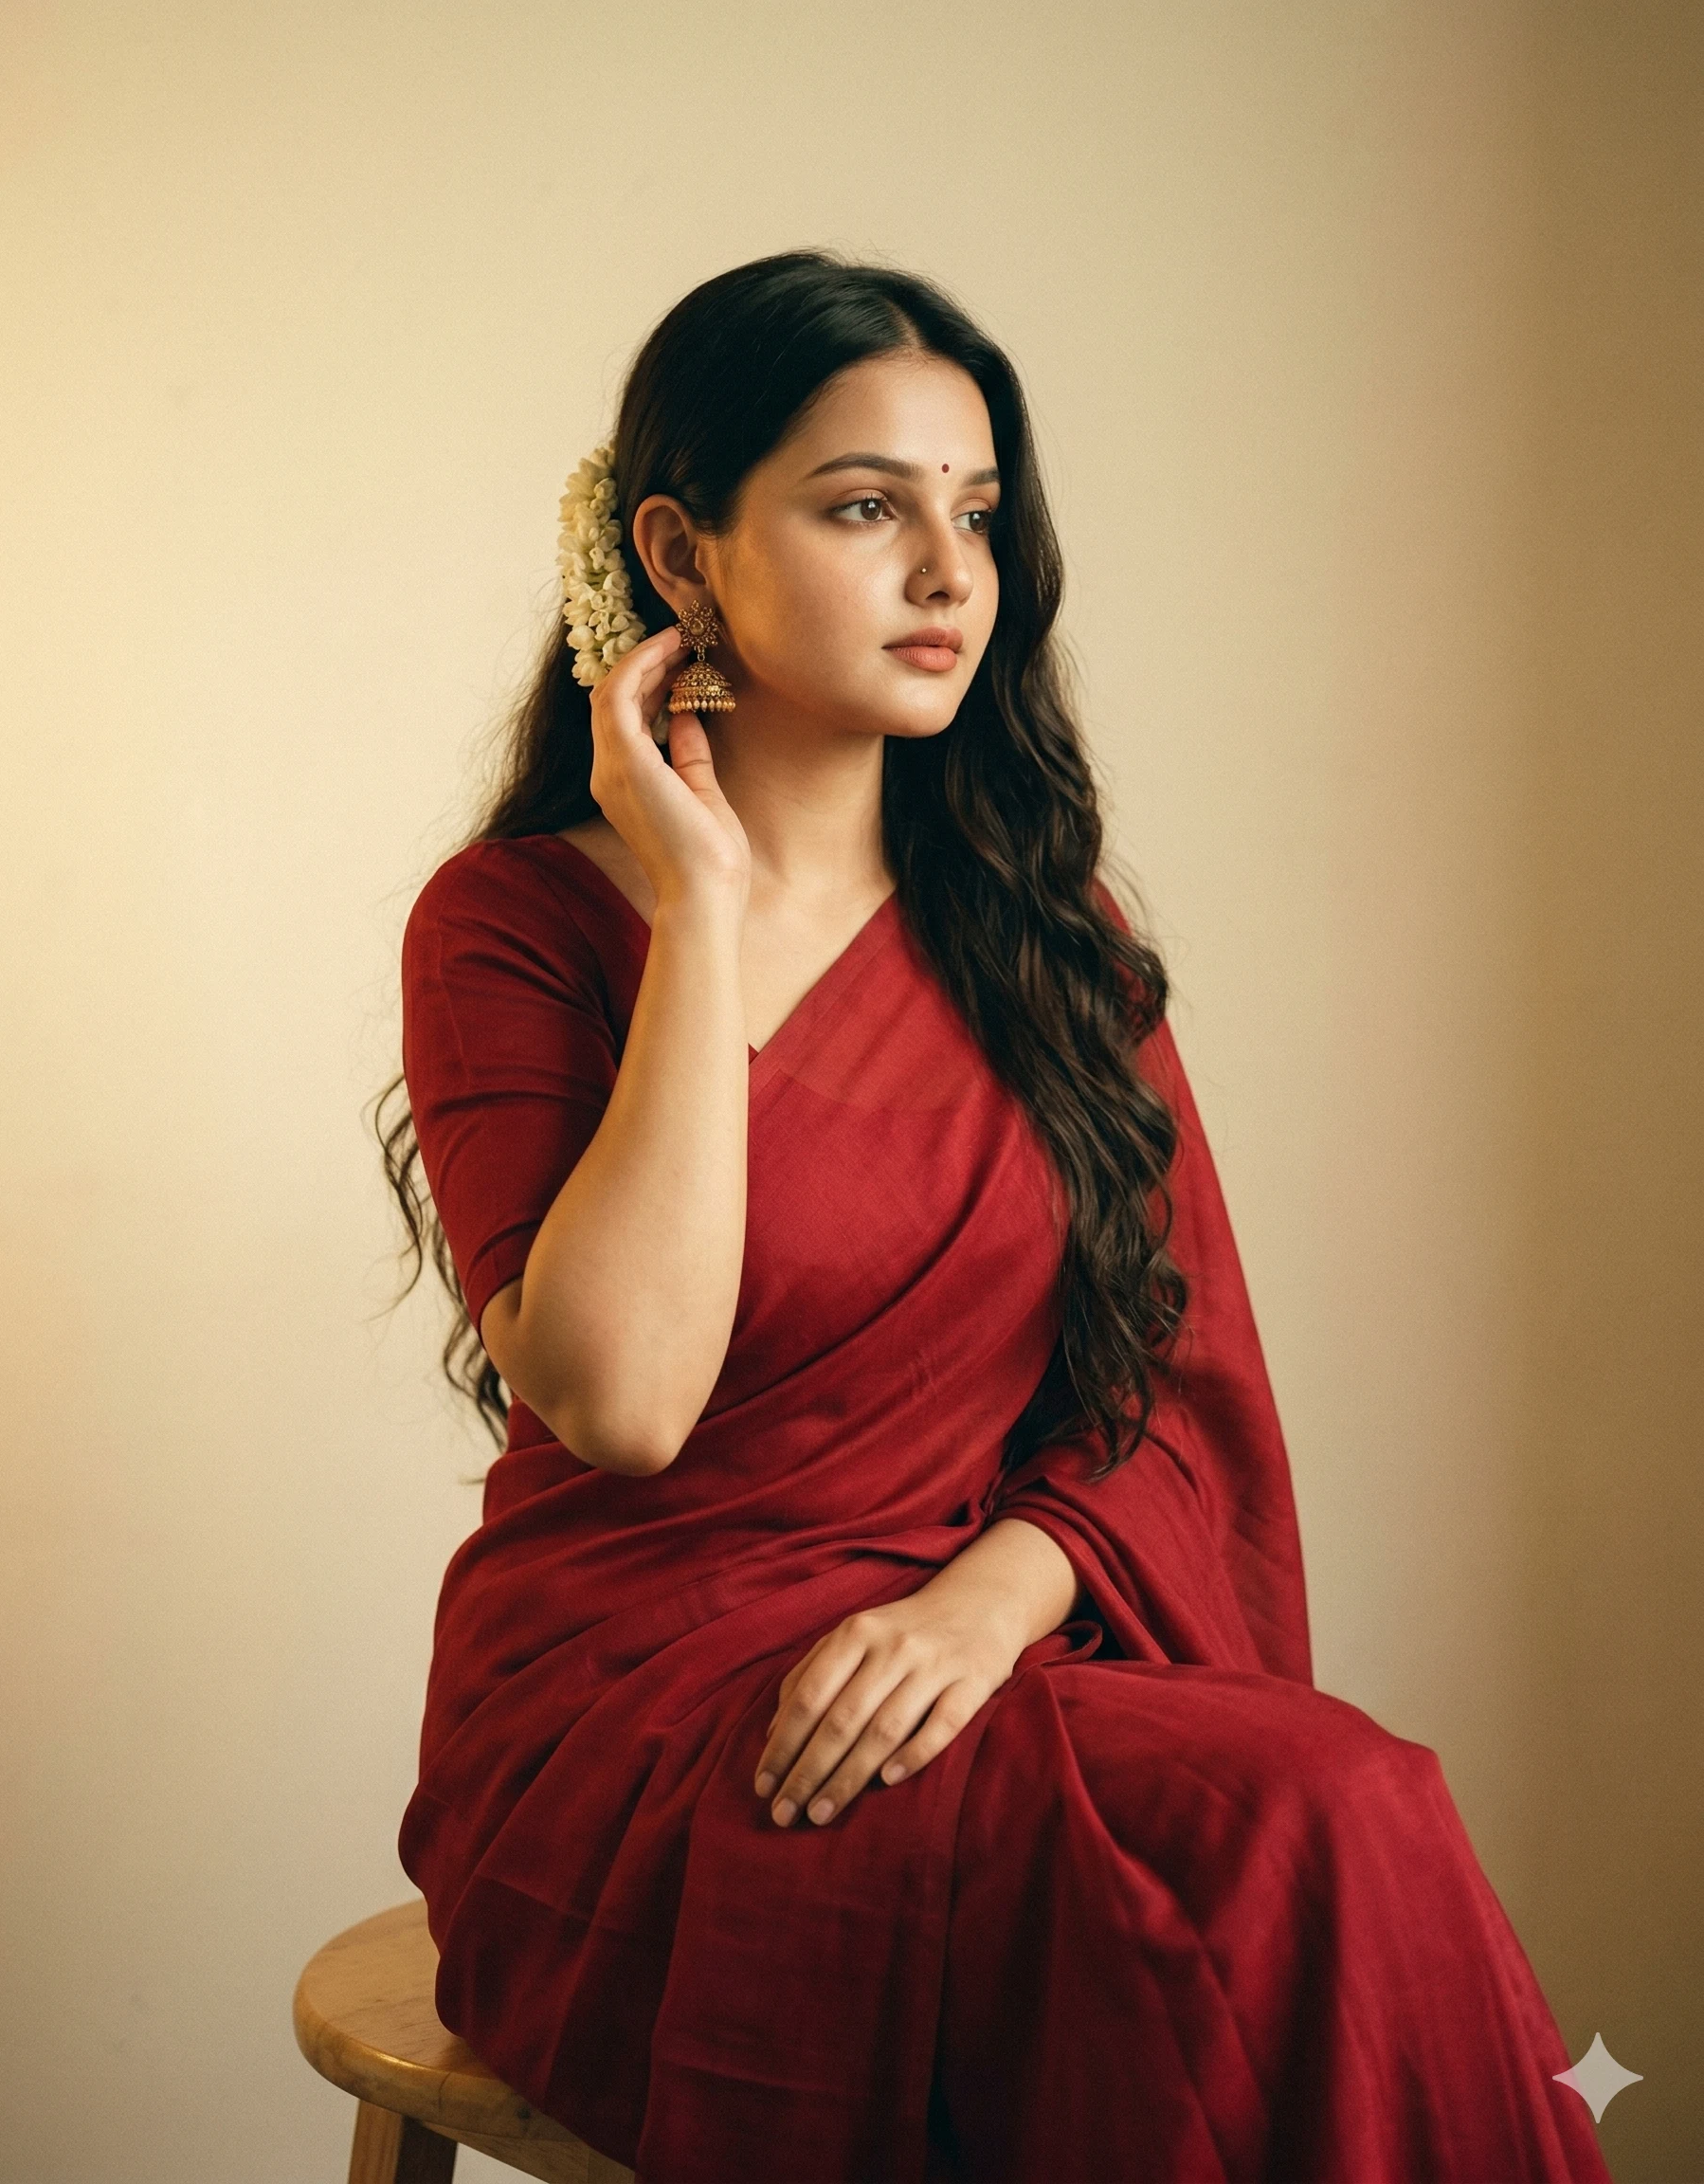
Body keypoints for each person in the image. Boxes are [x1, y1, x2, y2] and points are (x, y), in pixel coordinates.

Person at [375, 248, 1611, 2184]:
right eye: (866, 508)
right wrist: (702, 910)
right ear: (679, 556)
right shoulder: (522, 925)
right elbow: (619, 1400)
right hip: (639, 1711)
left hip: (983, 1646)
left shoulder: (1051, 948)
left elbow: (1168, 1401)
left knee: (1326, 1812)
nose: (954, 574)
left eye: (976, 514)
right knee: (1290, 1829)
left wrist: (992, 1593)